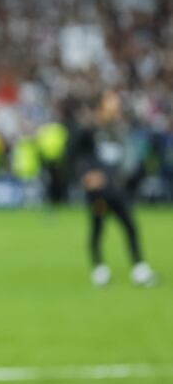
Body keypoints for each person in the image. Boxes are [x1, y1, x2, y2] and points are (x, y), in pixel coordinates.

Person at [72, 90, 157, 287]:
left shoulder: (117, 128)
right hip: (98, 192)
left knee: (129, 225)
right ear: (101, 105)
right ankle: (99, 269)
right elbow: (77, 156)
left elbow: (122, 157)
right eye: (111, 101)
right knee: (98, 227)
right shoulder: (88, 129)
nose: (116, 105)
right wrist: (86, 176)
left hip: (115, 188)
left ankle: (139, 268)